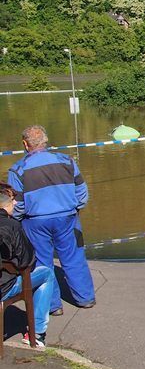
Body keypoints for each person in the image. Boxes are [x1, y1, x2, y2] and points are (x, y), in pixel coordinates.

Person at [6, 125, 94, 312]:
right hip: (67, 217)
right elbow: (82, 193)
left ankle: (53, 306)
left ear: (25, 144)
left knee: (42, 263)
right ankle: (85, 298)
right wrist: (74, 208)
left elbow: (18, 204)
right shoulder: (67, 161)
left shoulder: (18, 170)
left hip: (35, 222)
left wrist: (19, 219)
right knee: (74, 257)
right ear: (45, 141)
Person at [1, 183, 57, 350]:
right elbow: (27, 261)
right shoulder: (12, 226)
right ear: (5, 204)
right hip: (4, 287)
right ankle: (37, 333)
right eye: (13, 201)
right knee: (47, 273)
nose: (17, 204)